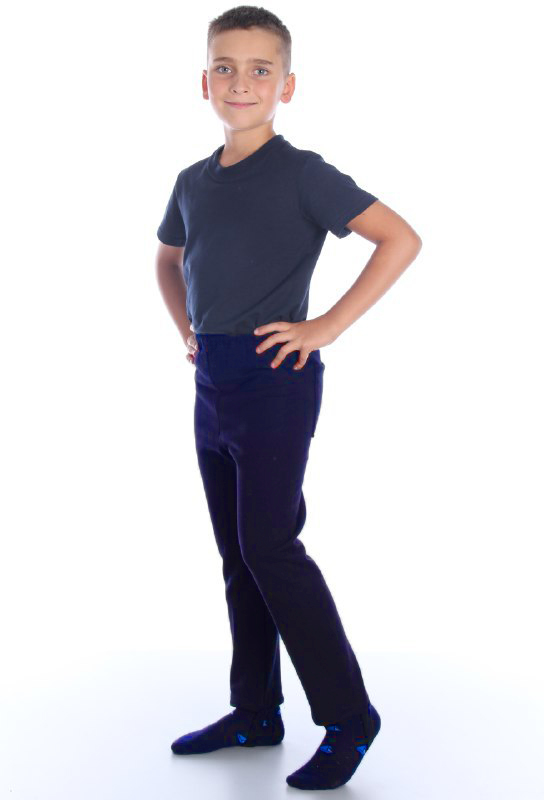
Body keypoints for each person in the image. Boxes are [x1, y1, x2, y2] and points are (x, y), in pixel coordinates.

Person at [155, 5, 422, 791]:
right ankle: (255, 711)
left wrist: (327, 325)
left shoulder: (303, 173)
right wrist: (187, 329)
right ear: (204, 81)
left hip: (275, 378)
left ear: (287, 86)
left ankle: (349, 716)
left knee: (271, 546)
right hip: (212, 380)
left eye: (260, 70)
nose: (241, 82)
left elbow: (400, 238)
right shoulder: (192, 181)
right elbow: (168, 260)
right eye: (226, 67)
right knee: (239, 553)